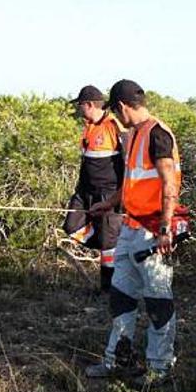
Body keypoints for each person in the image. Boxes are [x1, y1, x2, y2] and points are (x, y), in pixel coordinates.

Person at [84, 80, 183, 384]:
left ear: (122, 107)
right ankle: (117, 360)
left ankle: (159, 368)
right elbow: (132, 182)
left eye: (116, 111)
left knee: (157, 300)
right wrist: (110, 204)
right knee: (121, 296)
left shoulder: (157, 134)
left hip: (153, 232)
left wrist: (166, 228)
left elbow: (169, 184)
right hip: (130, 227)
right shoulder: (134, 135)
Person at [63, 84, 125, 292]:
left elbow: (128, 163)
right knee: (72, 226)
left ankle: (109, 289)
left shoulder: (114, 125)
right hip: (85, 192)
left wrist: (119, 197)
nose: (79, 109)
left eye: (81, 105)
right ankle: (109, 242)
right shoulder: (88, 126)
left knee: (108, 246)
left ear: (89, 104)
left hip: (109, 193)